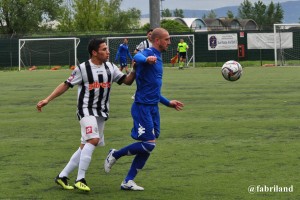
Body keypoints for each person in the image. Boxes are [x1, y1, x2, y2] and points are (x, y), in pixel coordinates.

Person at [36, 38, 136, 192]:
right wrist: (47, 99)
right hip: (85, 110)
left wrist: (135, 69)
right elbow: (66, 84)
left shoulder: (110, 66)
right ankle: (80, 179)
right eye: (104, 49)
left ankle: (62, 176)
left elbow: (127, 81)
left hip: (102, 112)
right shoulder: (82, 68)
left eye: (107, 49)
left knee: (85, 146)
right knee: (93, 139)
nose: (107, 52)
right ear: (94, 53)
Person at [104, 28, 184, 191]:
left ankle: (128, 181)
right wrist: (147, 60)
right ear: (157, 40)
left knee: (150, 143)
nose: (169, 42)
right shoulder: (148, 53)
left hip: (153, 107)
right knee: (149, 144)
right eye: (167, 39)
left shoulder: (159, 58)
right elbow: (137, 56)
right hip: (142, 107)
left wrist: (168, 103)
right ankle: (115, 154)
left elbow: (154, 90)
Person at [131, 29, 153, 99]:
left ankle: (147, 94)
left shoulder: (155, 43)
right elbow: (135, 51)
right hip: (143, 64)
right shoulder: (143, 43)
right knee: (142, 80)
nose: (151, 35)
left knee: (151, 80)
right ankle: (137, 94)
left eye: (152, 34)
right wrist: (143, 57)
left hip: (151, 65)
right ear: (147, 35)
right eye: (149, 34)